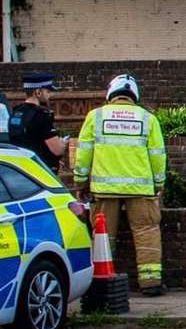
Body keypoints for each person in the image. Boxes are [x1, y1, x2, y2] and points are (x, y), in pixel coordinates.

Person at [74, 74, 168, 295]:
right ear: (134, 95)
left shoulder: (95, 117)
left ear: (110, 94)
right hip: (141, 190)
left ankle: (102, 282)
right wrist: (158, 183)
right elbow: (158, 156)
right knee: (147, 233)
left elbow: (84, 154)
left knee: (104, 236)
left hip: (104, 190)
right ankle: (151, 283)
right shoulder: (148, 119)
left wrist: (80, 182)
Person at [9, 72, 68, 171]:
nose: (49, 96)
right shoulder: (41, 115)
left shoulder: (16, 112)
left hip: (21, 168)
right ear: (38, 92)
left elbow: (29, 140)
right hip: (40, 170)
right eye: (48, 92)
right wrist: (62, 143)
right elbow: (57, 150)